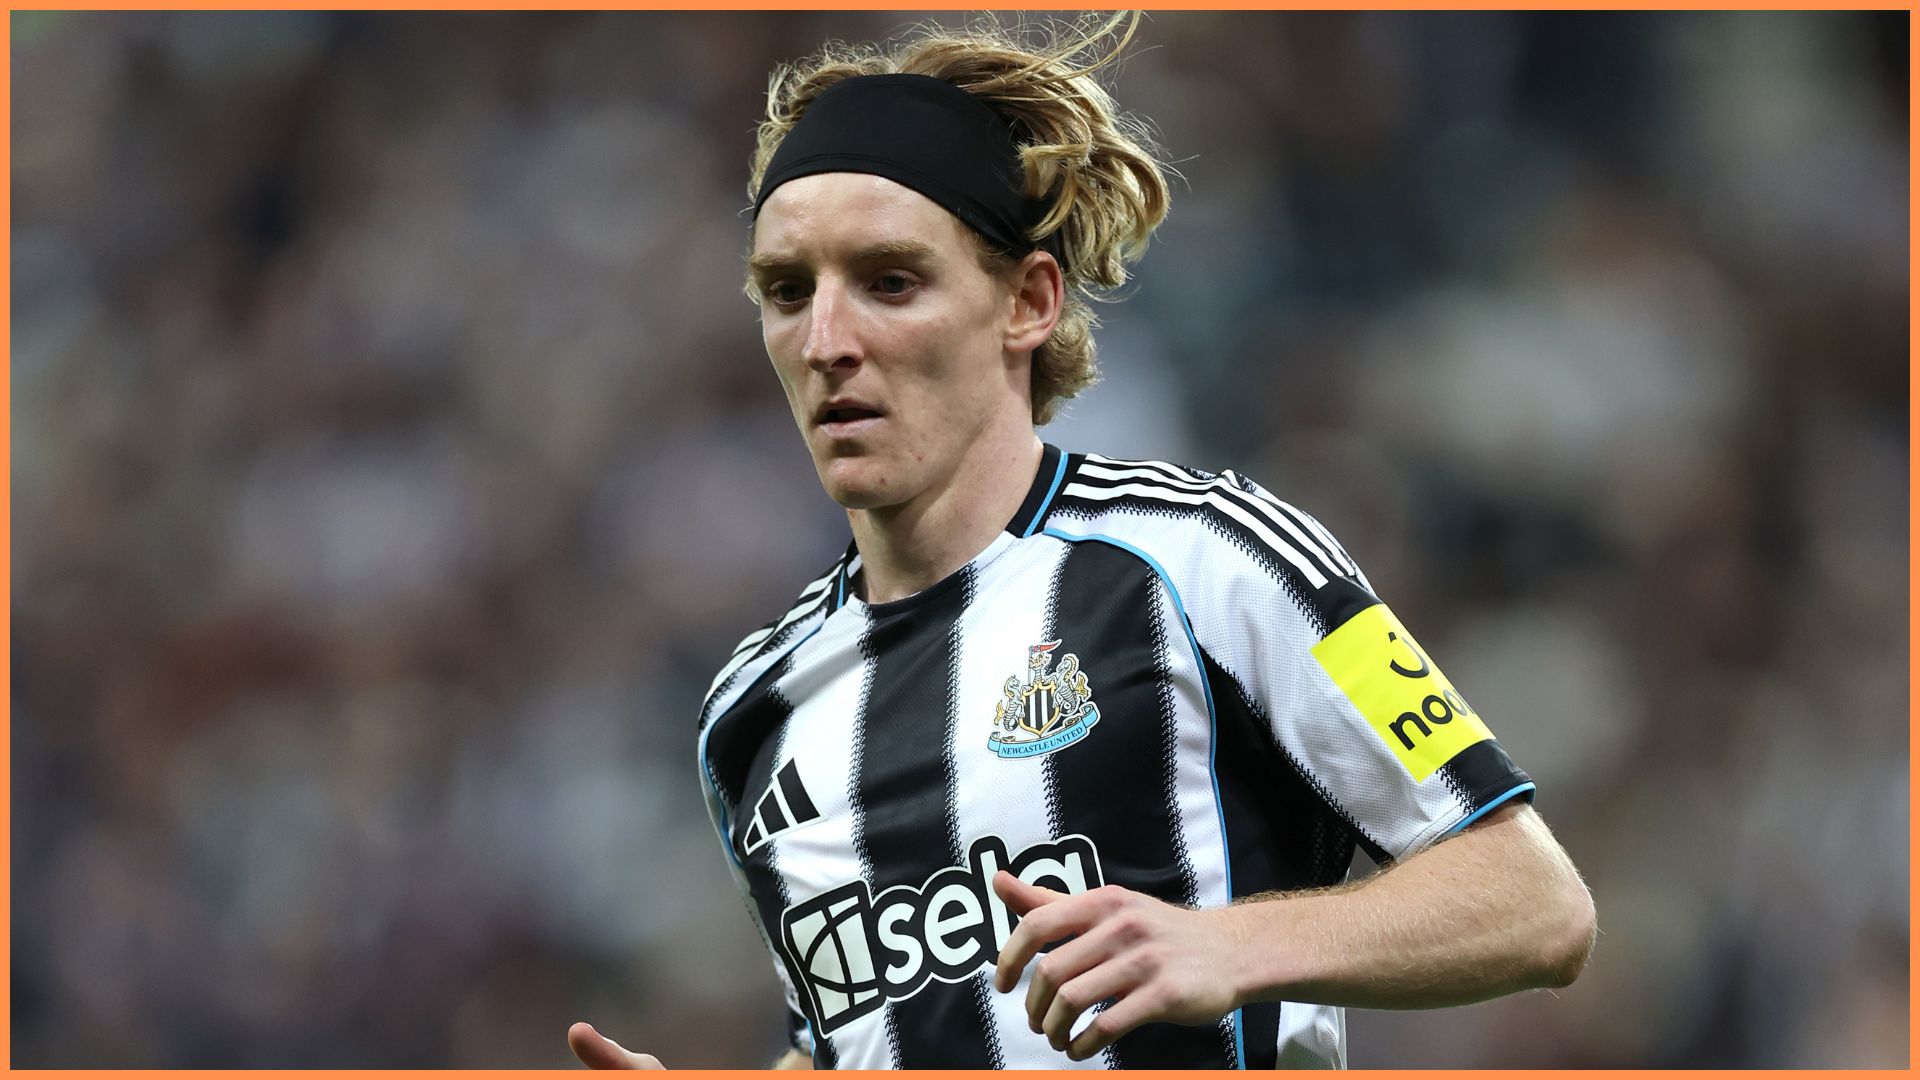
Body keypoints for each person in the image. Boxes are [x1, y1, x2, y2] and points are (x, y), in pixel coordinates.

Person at [569, 13, 1595, 1070]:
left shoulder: (1211, 558)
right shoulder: (751, 715)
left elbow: (1534, 901)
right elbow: (864, 1040)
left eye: (890, 281)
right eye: (789, 292)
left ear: (1028, 301)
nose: (827, 341)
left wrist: (1229, 944)